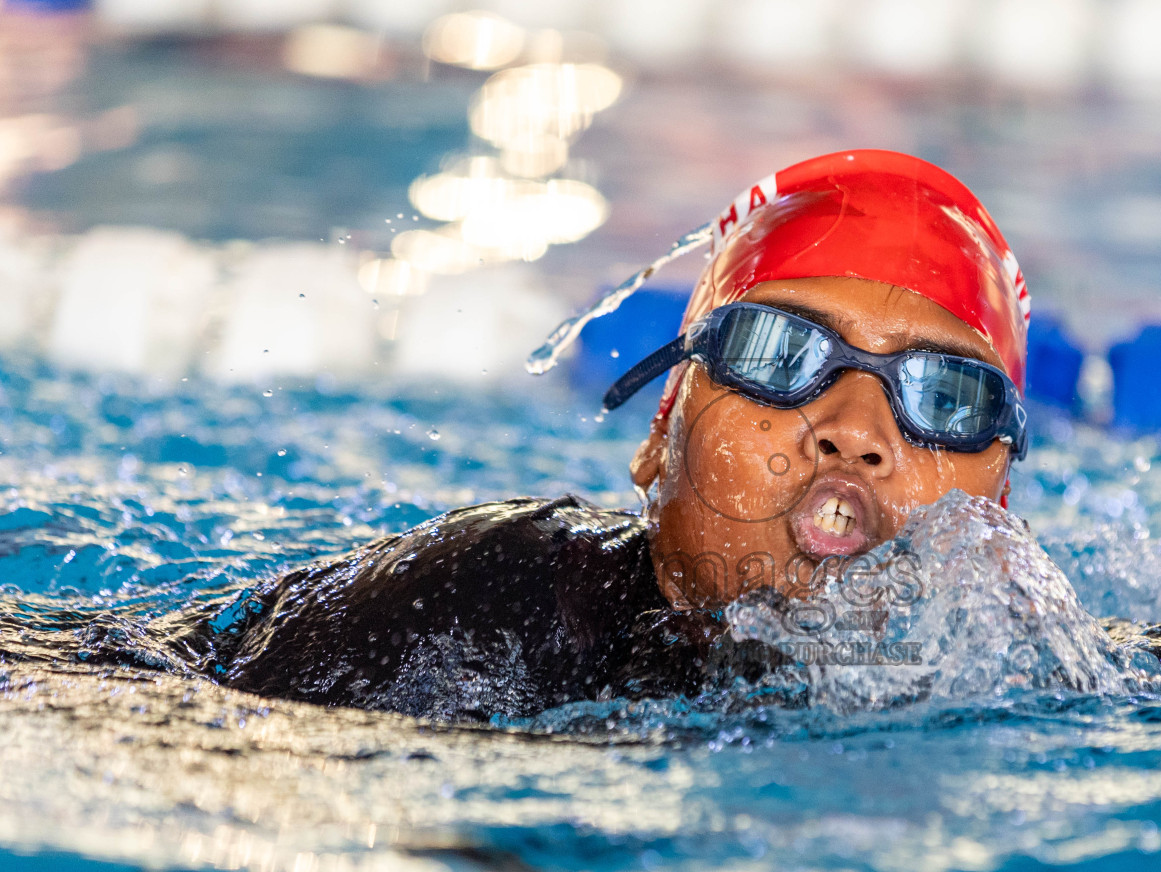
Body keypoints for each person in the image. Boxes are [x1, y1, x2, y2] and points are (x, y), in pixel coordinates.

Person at [146, 150, 1037, 720]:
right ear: (660, 438)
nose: (853, 430)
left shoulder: (1039, 684)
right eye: (777, 351)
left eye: (947, 396)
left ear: (998, 509)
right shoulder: (492, 597)